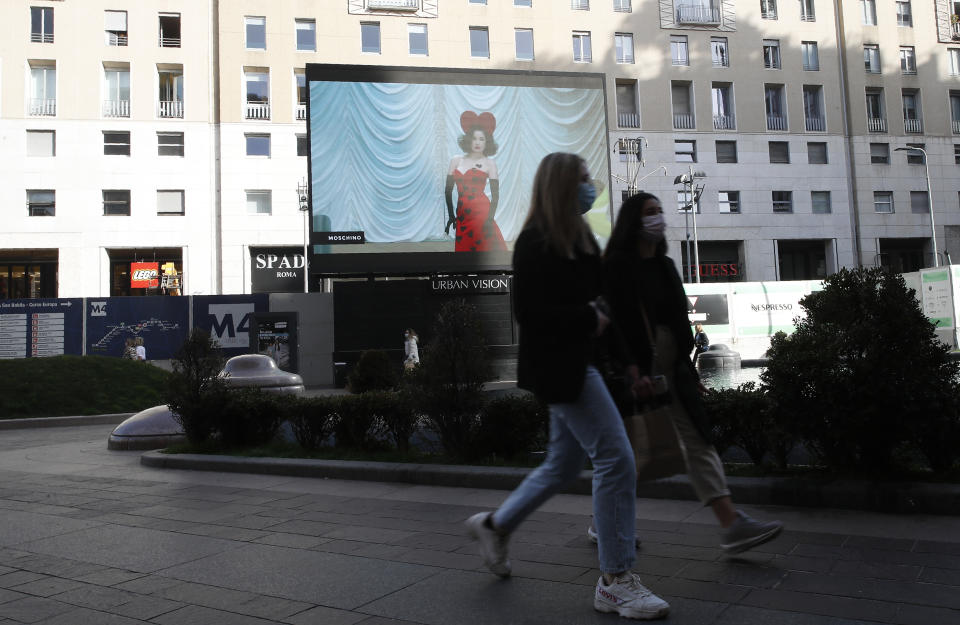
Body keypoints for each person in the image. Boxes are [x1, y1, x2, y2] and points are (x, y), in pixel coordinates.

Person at [465, 153, 670, 620]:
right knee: (616, 458)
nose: (590, 186)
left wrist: (631, 365)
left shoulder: (582, 241)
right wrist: (588, 320)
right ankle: (616, 580)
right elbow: (531, 314)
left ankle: (496, 526)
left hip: (586, 364)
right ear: (560, 186)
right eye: (581, 179)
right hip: (562, 370)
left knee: (561, 465)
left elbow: (604, 307)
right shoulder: (536, 242)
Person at [603, 192, 783, 555]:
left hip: (675, 372)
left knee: (699, 443)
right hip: (638, 373)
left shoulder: (666, 265)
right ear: (632, 222)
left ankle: (731, 523)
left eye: (660, 210)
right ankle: (604, 519)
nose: (658, 218)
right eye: (649, 213)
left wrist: (689, 372)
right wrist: (630, 370)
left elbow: (679, 322)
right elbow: (615, 325)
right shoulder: (618, 267)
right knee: (631, 453)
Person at [444, 111, 507, 252]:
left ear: (487, 141)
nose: (477, 142)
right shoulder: (456, 160)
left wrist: (490, 219)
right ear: (468, 140)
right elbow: (448, 190)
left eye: (482, 139)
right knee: (464, 255)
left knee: (484, 251)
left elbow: (496, 196)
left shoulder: (489, 163)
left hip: (482, 215)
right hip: (462, 215)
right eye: (474, 138)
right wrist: (451, 215)